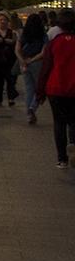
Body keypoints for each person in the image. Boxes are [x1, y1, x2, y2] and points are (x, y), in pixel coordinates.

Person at [39, 11, 75, 168]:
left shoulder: (54, 43)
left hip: (56, 88)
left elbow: (46, 68)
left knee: (59, 123)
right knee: (74, 121)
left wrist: (39, 91)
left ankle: (62, 158)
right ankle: (73, 145)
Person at [20, 13, 48, 125]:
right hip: (37, 62)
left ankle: (29, 115)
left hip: (24, 62)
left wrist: (23, 60)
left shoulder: (24, 34)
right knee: (39, 87)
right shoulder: (43, 35)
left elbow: (17, 49)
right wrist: (32, 60)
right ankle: (32, 107)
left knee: (29, 89)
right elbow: (43, 52)